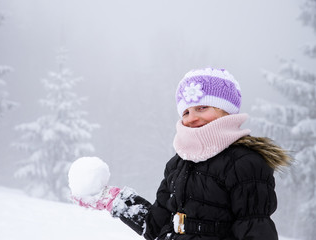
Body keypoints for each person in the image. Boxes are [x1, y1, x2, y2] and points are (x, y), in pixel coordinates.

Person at [72, 67, 292, 240]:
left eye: (202, 108)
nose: (191, 117)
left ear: (226, 111)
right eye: (186, 111)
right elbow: (155, 226)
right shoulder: (177, 165)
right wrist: (117, 201)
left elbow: (255, 230)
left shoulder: (244, 163)